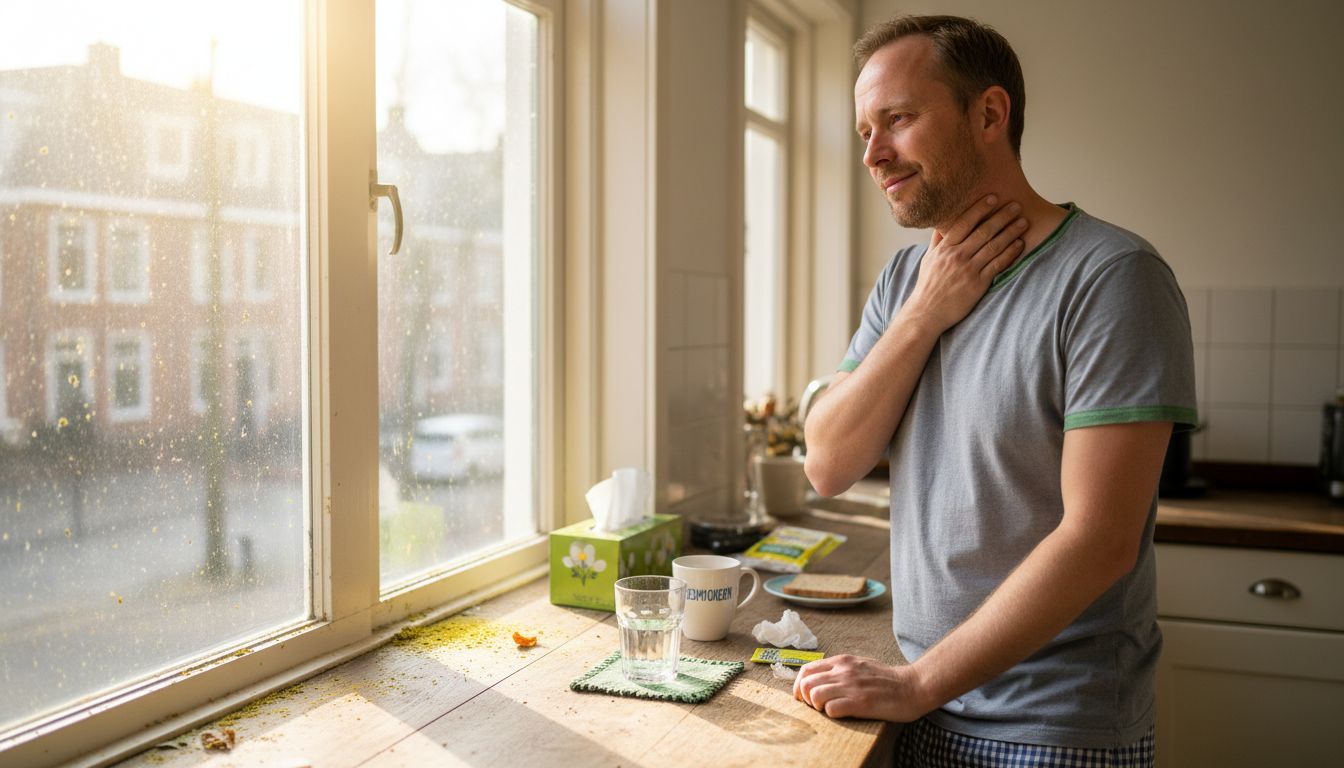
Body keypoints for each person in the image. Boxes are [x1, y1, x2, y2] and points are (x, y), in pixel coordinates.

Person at [793, 14, 1196, 767]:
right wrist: (924, 314)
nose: (874, 154)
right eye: (863, 133)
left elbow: (1100, 539)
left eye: (898, 120)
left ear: (989, 113)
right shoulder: (903, 283)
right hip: (919, 706)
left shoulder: (1113, 278)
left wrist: (917, 683)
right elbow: (826, 460)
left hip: (1050, 734)